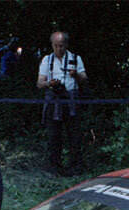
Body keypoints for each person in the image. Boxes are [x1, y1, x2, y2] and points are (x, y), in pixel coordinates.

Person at [37, 31, 87, 175]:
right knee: (53, 135)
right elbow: (40, 83)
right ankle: (55, 168)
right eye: (55, 46)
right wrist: (49, 84)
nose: (58, 49)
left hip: (71, 100)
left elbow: (84, 78)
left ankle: (76, 168)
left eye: (61, 46)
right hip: (54, 100)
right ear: (52, 45)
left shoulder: (75, 58)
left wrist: (75, 74)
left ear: (66, 45)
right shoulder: (47, 60)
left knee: (74, 135)